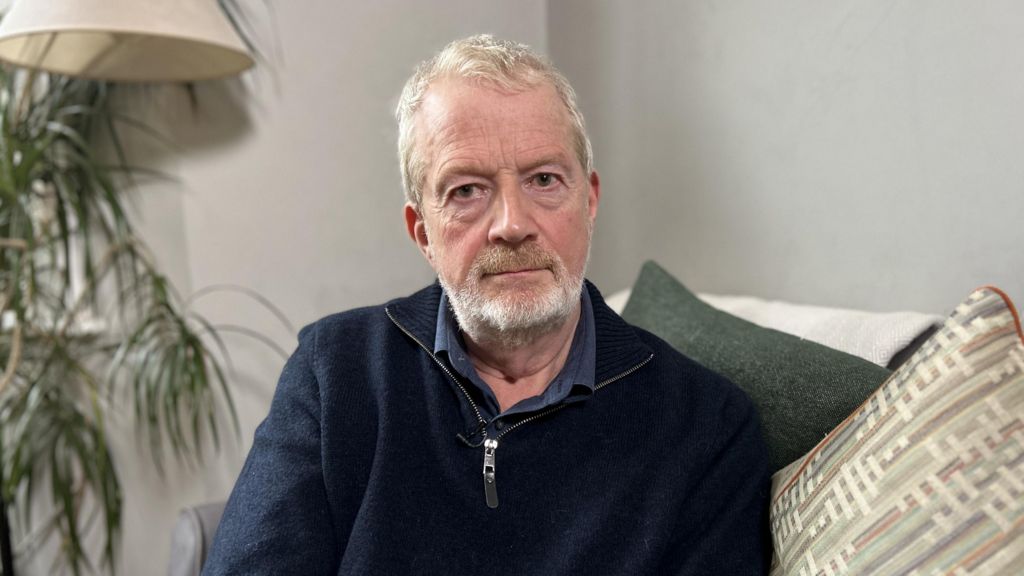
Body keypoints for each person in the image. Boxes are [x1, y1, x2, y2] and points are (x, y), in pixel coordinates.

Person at [204, 35, 769, 575]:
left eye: (544, 179)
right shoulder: (335, 371)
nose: (512, 225)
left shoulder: (706, 428)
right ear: (422, 231)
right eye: (467, 191)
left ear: (589, 201)